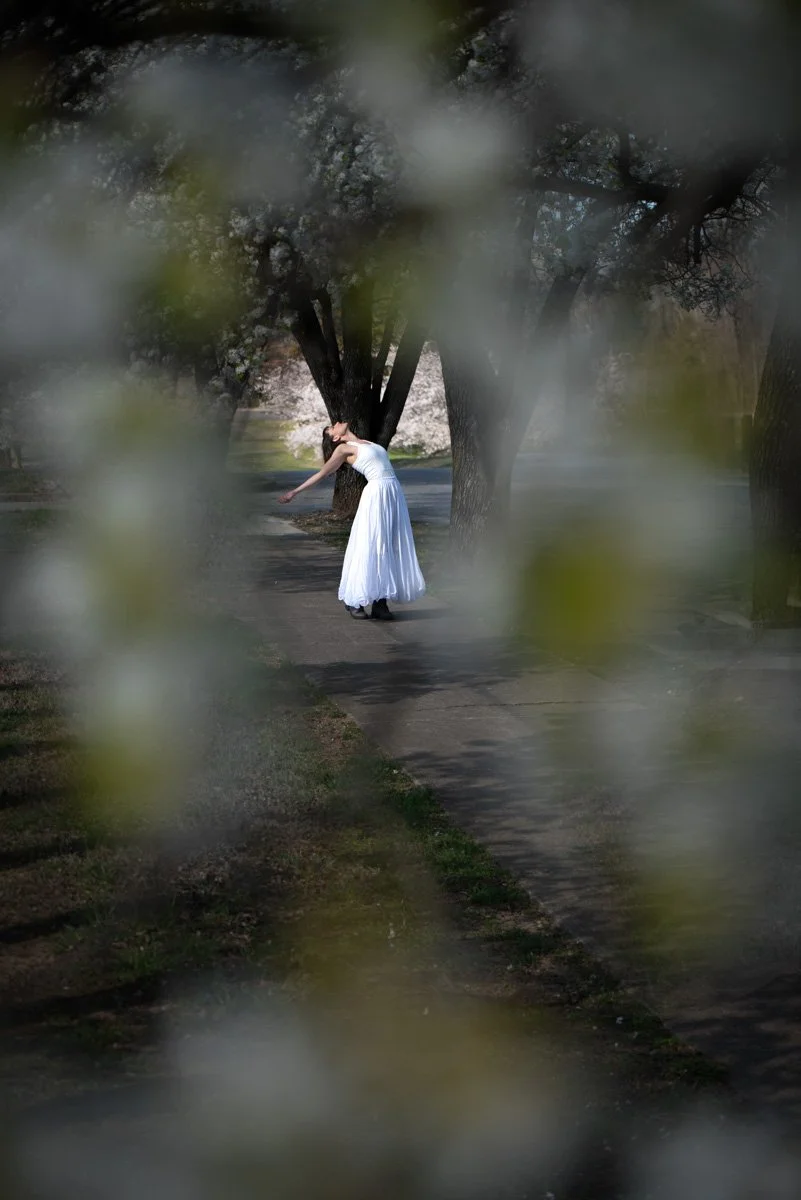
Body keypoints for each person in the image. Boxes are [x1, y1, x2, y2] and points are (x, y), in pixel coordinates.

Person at [279, 422, 426, 620]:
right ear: (336, 438)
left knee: (389, 545)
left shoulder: (369, 443)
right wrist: (294, 492)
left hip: (392, 493)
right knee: (372, 544)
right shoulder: (343, 449)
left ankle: (380, 603)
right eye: (332, 427)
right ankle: (354, 599)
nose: (336, 423)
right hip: (376, 495)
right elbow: (322, 474)